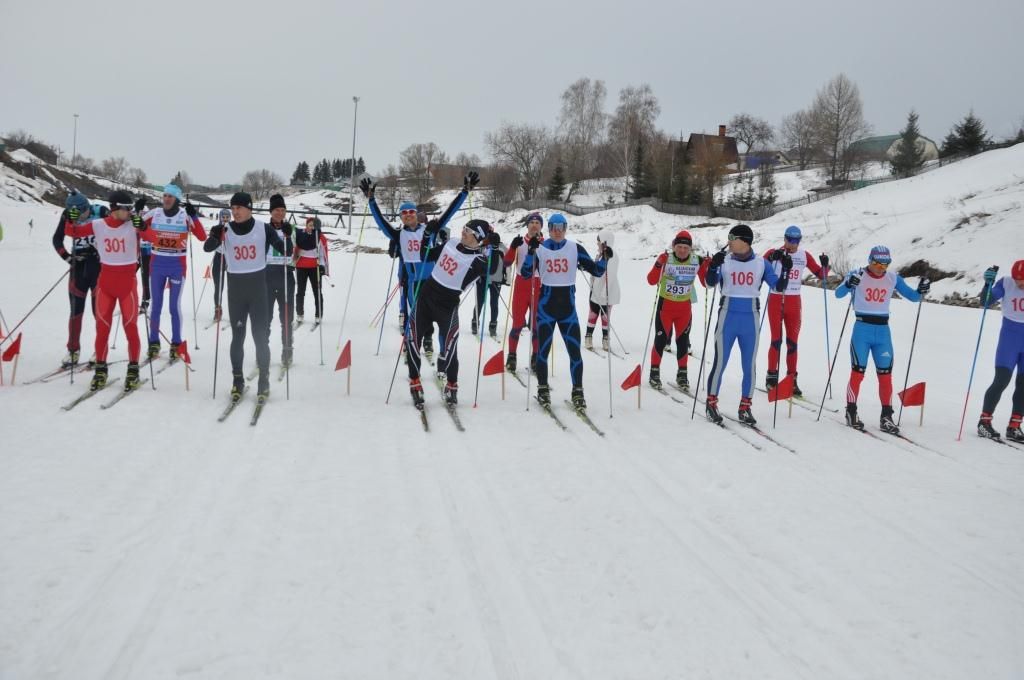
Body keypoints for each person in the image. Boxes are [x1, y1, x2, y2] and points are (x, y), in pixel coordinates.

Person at [361, 172, 477, 355]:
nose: (408, 215)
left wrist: (464, 192)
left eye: (411, 212)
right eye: (404, 213)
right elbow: (381, 222)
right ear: (401, 217)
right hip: (413, 282)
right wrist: (372, 201)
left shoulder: (429, 230)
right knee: (414, 315)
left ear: (417, 214)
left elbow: (449, 213)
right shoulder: (398, 235)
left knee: (433, 316)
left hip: (433, 283)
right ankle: (411, 342)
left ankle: (430, 340)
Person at [405, 219, 502, 407]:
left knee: (450, 346)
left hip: (447, 305)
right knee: (412, 339)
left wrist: (496, 248)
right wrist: (426, 236)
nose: (464, 232)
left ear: (479, 238)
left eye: (469, 231)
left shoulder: (478, 260)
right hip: (426, 297)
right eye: (464, 228)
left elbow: (494, 269)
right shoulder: (450, 243)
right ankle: (415, 382)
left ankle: (452, 384)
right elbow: (425, 254)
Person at [203, 192, 289, 401]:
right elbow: (207, 248)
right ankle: (237, 380)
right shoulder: (225, 230)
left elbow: (286, 251)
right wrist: (214, 236)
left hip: (258, 290)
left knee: (260, 338)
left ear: (249, 209)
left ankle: (264, 381)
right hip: (236, 292)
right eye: (232, 208)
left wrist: (286, 235)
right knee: (237, 338)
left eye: (239, 208)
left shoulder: (263, 229)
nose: (235, 212)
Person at [835, 245, 929, 434]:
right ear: (870, 261)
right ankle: (851, 411)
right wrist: (848, 284)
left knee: (885, 376)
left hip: (883, 333)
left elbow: (913, 297)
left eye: (885, 264)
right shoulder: (858, 274)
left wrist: (921, 290)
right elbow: (838, 293)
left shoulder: (892, 278)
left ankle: (886, 416)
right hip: (862, 330)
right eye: (876, 263)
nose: (880, 268)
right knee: (858, 373)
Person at [520, 213, 610, 410]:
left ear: (566, 228)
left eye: (561, 227)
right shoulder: (540, 248)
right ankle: (543, 388)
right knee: (542, 352)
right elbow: (526, 273)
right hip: (546, 309)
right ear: (549, 229)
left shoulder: (574, 248)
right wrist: (530, 252)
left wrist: (604, 258)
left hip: (568, 311)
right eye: (553, 227)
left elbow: (596, 271)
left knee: (574, 353)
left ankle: (578, 391)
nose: (557, 231)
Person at [704, 224, 791, 425]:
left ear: (744, 241)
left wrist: (786, 269)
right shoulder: (724, 260)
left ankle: (745, 407)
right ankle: (711, 402)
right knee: (720, 362)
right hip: (727, 316)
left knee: (749, 365)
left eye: (732, 237)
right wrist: (713, 266)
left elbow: (778, 287)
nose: (729, 241)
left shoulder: (761, 263)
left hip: (750, 318)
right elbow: (709, 283)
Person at [63, 190, 148, 392]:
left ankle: (133, 370)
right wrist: (70, 219)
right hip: (106, 284)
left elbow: (152, 236)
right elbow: (72, 232)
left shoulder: (133, 225)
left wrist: (143, 227)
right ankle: (101, 369)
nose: (129, 212)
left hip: (127, 285)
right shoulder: (99, 225)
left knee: (131, 328)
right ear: (115, 209)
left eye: (130, 208)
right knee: (102, 329)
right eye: (126, 208)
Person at [139, 184, 207, 360]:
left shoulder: (184, 216)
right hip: (157, 265)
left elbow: (202, 236)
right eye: (165, 196)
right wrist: (136, 211)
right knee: (156, 305)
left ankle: (176, 342)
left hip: (177, 266)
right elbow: (136, 227)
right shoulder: (155, 213)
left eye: (170, 196)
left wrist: (194, 216)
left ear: (177, 199)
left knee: (173, 307)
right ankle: (154, 342)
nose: (167, 199)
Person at [762, 225, 828, 396]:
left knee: (793, 342)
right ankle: (771, 377)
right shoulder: (774, 252)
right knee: (776, 340)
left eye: (796, 240)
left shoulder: (803, 255)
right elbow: (759, 268)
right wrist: (770, 258)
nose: (793, 244)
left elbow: (822, 275)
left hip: (794, 301)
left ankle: (791, 379)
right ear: (784, 239)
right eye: (790, 240)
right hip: (776, 299)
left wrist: (826, 265)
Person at [647, 230, 704, 390]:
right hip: (665, 307)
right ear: (674, 246)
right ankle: (654, 373)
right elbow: (651, 280)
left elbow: (707, 283)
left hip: (684, 309)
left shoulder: (696, 260)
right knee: (660, 340)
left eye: (686, 247)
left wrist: (710, 266)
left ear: (691, 248)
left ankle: (682, 375)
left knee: (683, 342)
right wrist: (658, 264)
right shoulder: (667, 259)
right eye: (679, 246)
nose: (682, 250)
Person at [52, 191, 103, 368]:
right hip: (79, 268)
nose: (83, 216)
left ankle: (100, 349)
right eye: (80, 214)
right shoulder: (68, 215)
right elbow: (57, 240)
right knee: (75, 311)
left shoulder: (100, 211)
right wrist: (67, 258)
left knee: (99, 313)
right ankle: (73, 350)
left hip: (98, 267)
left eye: (85, 212)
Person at [976, 260, 1024, 442]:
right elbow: (985, 302)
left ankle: (1015, 426)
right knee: (1001, 380)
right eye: (1017, 278)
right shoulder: (1006, 282)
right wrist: (988, 283)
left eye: (1023, 279)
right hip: (1009, 339)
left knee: (1023, 384)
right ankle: (984, 422)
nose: (1020, 283)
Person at [503, 212, 544, 373]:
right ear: (527, 225)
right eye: (532, 222)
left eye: (537, 223)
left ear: (541, 226)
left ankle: (536, 357)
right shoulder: (520, 242)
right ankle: (511, 356)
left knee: (536, 326)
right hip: (522, 286)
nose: (534, 225)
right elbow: (506, 263)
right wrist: (513, 247)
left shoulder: (546, 243)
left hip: (539, 285)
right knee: (518, 324)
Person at [265, 194, 295, 367]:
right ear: (271, 211)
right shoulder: (263, 229)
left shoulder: (290, 228)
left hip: (285, 275)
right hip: (267, 276)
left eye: (283, 210)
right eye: (277, 210)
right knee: (266, 317)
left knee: (286, 317)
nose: (280, 213)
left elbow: (295, 251)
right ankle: (264, 350)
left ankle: (287, 350)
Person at [585, 229, 620, 352]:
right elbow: (595, 270)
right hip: (595, 292)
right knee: (592, 315)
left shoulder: (612, 256)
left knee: (605, 318)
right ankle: (588, 337)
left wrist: (603, 294)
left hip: (607, 293)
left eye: (598, 241)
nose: (597, 244)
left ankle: (606, 340)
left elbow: (610, 276)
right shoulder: (599, 255)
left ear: (605, 242)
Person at [471, 222, 504, 338]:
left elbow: (508, 258)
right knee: (480, 301)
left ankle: (493, 326)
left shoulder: (500, 245)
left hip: (496, 279)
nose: (489, 236)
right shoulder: (481, 246)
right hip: (482, 278)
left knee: (494, 303)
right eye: (488, 234)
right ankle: (475, 322)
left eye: (491, 233)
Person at [295, 216, 329, 323]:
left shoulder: (320, 237)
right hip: (301, 267)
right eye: (310, 225)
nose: (312, 227)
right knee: (300, 292)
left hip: (315, 267)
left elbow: (323, 254)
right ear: (306, 226)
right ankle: (300, 313)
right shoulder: (301, 235)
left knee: (317, 291)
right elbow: (295, 249)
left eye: (314, 226)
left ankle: (318, 315)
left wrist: (323, 266)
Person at [211, 208, 230, 321]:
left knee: (233, 286)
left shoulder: (232, 229)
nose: (225, 219)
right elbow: (210, 243)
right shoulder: (216, 229)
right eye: (223, 217)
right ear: (220, 217)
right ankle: (218, 309)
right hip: (219, 256)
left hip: (230, 258)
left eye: (227, 217)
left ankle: (236, 310)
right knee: (219, 286)